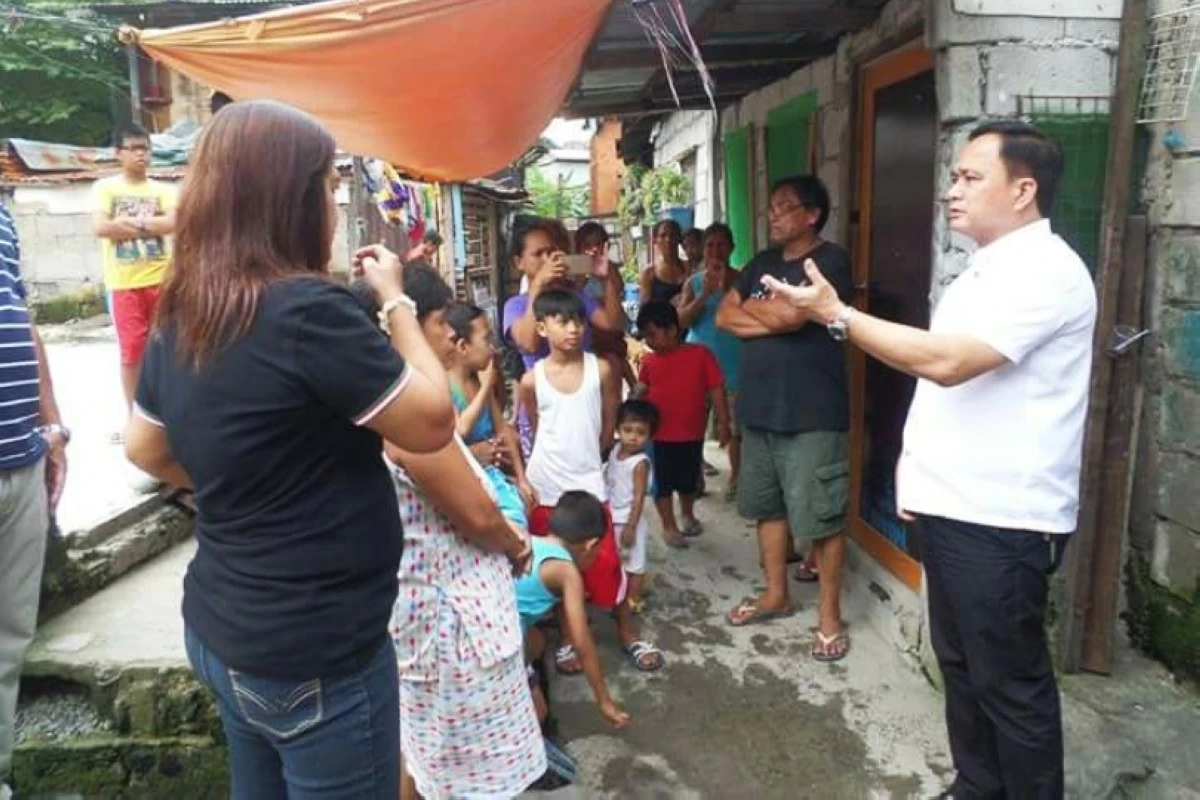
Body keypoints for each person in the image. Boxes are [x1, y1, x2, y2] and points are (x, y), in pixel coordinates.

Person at [124, 100, 457, 799]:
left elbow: (146, 448)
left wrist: (245, 482)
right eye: (328, 190)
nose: (333, 208)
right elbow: (431, 422)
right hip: (315, 655)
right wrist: (395, 301)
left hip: (222, 633)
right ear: (290, 199)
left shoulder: (187, 305)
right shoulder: (307, 311)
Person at [760, 119, 1094, 800]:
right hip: (955, 506)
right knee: (963, 666)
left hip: (1003, 518)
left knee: (1010, 684)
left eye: (971, 177)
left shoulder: (1046, 272)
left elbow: (947, 365)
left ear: (1024, 189)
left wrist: (837, 315)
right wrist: (921, 483)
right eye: (954, 175)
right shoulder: (987, 269)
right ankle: (977, 785)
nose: (952, 190)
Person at [351, 267, 545, 800]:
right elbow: (477, 516)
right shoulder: (406, 416)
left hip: (427, 612)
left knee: (420, 755)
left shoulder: (375, 396)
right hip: (451, 624)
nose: (447, 336)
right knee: (463, 773)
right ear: (407, 324)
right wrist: (515, 542)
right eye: (439, 323)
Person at [715, 175, 853, 663]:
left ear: (812, 214)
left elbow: (797, 317)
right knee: (766, 508)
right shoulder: (761, 264)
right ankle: (776, 592)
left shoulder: (830, 261)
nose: (773, 215)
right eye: (771, 207)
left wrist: (774, 312)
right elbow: (723, 317)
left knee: (822, 518)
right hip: (760, 409)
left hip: (813, 412)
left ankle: (830, 616)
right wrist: (772, 309)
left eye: (784, 207)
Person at [519, 289, 663, 675]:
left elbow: (606, 423)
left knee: (606, 565)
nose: (573, 328)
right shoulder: (532, 380)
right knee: (559, 566)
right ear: (541, 327)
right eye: (563, 321)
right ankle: (568, 640)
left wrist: (592, 459)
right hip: (547, 487)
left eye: (578, 321)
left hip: (588, 484)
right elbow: (534, 426)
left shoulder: (599, 369)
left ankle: (627, 632)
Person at [0, 204, 68, 800]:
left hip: (21, 453)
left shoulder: (2, 218)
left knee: (8, 638)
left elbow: (19, 316)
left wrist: (52, 424)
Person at [91, 123, 177, 446]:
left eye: (145, 149)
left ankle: (169, 414)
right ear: (119, 153)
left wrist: (130, 224)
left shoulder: (164, 190)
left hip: (162, 282)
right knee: (132, 355)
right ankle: (134, 421)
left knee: (168, 349)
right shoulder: (105, 188)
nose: (141, 155)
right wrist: (150, 225)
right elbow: (100, 227)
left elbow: (172, 222)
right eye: (134, 149)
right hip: (124, 284)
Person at [517, 491, 631, 729]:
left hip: (489, 626)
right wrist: (604, 701)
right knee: (538, 714)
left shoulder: (529, 541)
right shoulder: (566, 572)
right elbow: (582, 642)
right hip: (499, 643)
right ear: (589, 545)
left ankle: (522, 680)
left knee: (537, 640)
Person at [636, 301, 729, 548]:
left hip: (692, 434)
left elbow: (716, 390)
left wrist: (723, 422)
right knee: (663, 483)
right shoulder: (649, 361)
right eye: (646, 337)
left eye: (653, 335)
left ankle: (687, 514)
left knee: (689, 481)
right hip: (659, 435)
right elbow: (641, 389)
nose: (649, 341)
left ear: (673, 329)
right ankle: (669, 526)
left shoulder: (701, 355)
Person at [444, 301, 535, 525]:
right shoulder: (445, 384)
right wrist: (486, 387)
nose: (492, 347)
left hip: (492, 475)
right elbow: (461, 429)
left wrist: (522, 479)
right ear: (463, 347)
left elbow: (502, 428)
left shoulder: (477, 379)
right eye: (486, 339)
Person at [677, 223, 744, 501]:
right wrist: (705, 293)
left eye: (721, 245)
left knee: (737, 427)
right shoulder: (693, 282)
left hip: (735, 364)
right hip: (698, 365)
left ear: (731, 248)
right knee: (693, 426)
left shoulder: (743, 280)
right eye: (710, 245)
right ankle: (694, 480)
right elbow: (680, 321)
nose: (715, 251)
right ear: (703, 250)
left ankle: (736, 480)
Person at [605, 400, 657, 613]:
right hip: (613, 516)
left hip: (629, 520)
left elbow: (638, 497)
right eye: (627, 430)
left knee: (635, 563)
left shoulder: (640, 463)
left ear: (650, 436)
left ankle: (634, 599)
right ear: (618, 429)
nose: (633, 437)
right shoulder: (615, 449)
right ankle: (621, 593)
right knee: (618, 560)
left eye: (641, 432)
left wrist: (631, 526)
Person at [639, 219, 688, 305]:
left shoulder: (688, 267)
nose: (668, 239)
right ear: (655, 240)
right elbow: (645, 311)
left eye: (672, 235)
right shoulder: (650, 272)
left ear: (679, 238)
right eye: (663, 235)